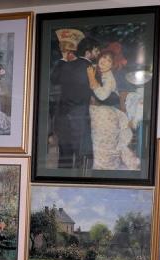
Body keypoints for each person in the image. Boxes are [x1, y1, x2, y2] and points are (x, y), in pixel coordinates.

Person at [50, 36, 101, 169]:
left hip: (63, 119)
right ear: (88, 52)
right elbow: (99, 93)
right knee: (81, 160)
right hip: (81, 119)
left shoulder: (65, 65)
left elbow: (54, 79)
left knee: (64, 158)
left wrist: (63, 59)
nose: (98, 53)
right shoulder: (92, 68)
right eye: (96, 51)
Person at [87, 48, 139, 170]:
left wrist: (91, 79)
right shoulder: (97, 70)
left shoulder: (109, 76)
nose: (104, 61)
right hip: (97, 115)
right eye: (103, 57)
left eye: (109, 60)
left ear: (112, 64)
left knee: (105, 151)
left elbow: (102, 95)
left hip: (105, 117)